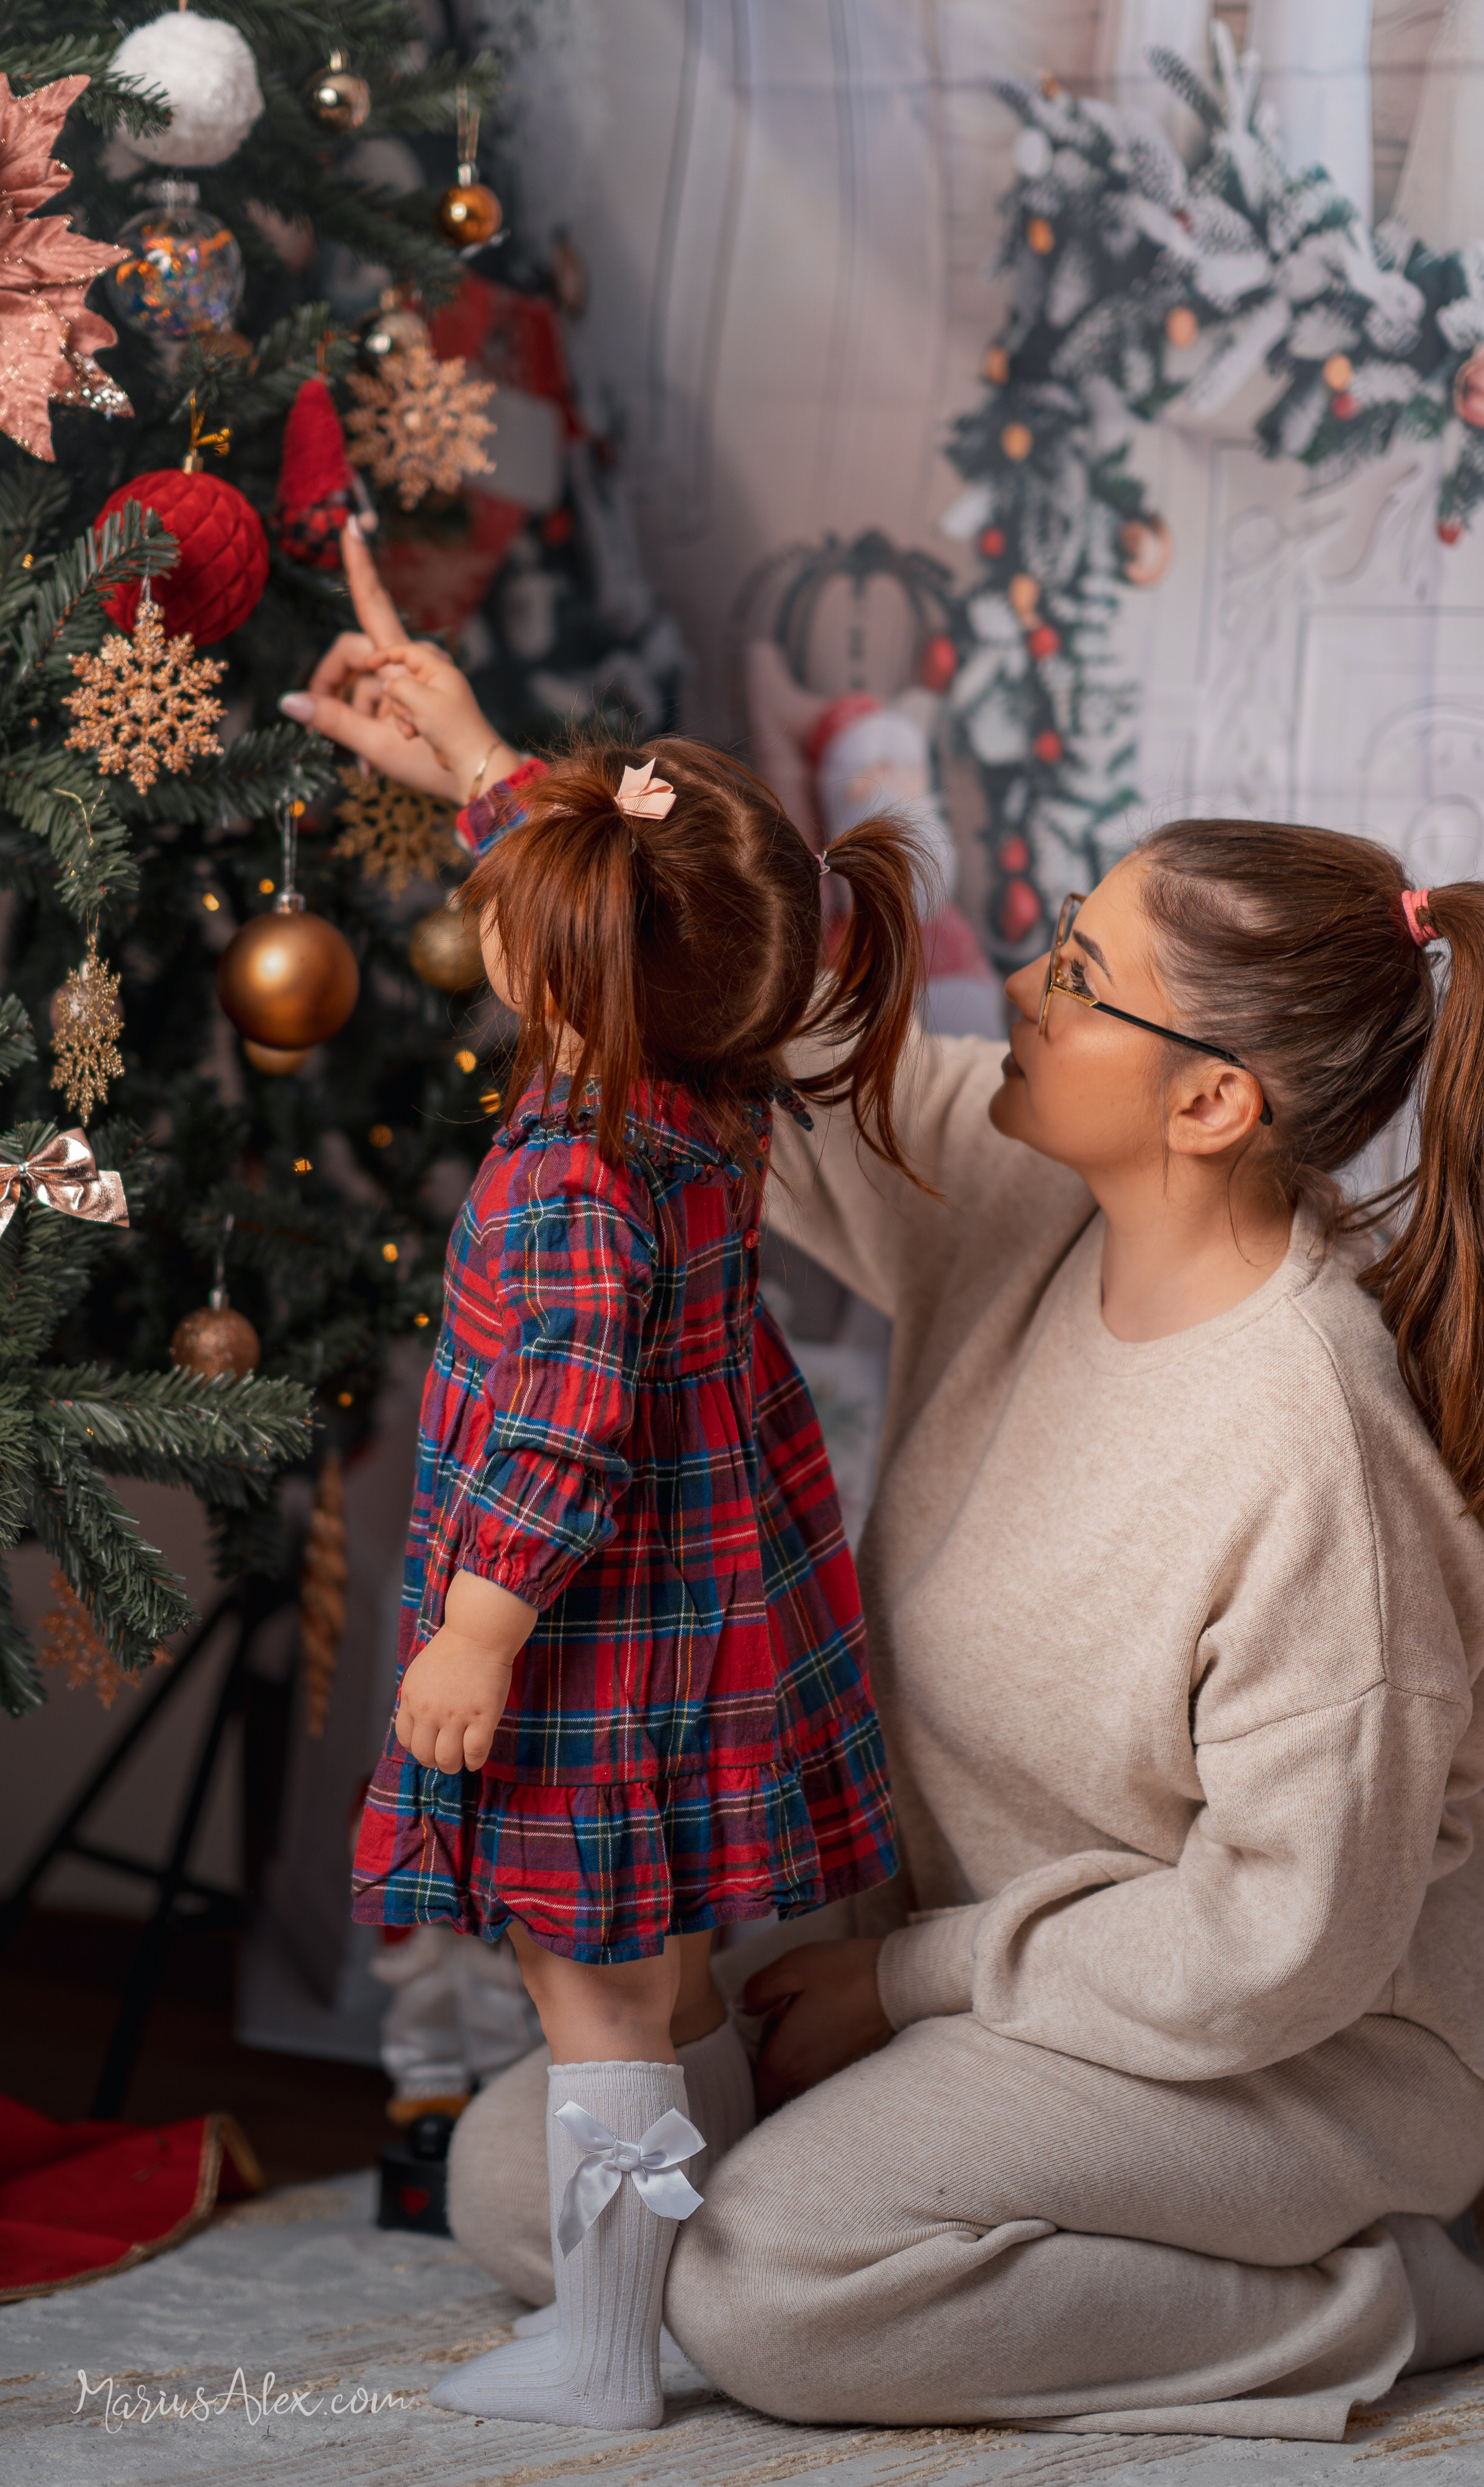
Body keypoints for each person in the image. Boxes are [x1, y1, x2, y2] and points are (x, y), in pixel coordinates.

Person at [289, 550, 1484, 2439]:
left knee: (769, 2285)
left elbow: (1274, 1946)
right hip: (1013, 1991)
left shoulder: (1317, 1450)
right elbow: (751, 1011)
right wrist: (492, 773)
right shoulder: (1032, 1191)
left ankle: (1370, 2298)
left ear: (1210, 1102)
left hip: (1298, 2044)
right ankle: (959, 2233)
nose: (1022, 990)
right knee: (523, 2174)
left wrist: (906, 1981)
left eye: (1078, 975)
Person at [289, 532, 921, 2431]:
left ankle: (606, 2343)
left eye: (529, 916)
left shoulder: (571, 1176)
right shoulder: (710, 1065)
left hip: (592, 1637)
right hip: (707, 1611)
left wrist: (476, 1636)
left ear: (570, 980)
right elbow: (611, 899)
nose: (496, 923)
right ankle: (695, 2268)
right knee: (672, 1976)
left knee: (596, 1999)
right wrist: (472, 747)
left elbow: (561, 1438)